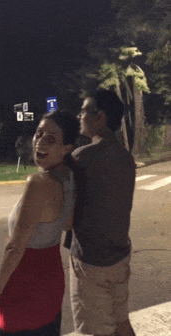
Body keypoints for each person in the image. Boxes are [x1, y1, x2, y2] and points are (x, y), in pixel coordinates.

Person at [0, 110, 79, 336]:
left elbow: (15, 247)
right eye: (39, 134)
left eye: (51, 138)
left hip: (25, 284)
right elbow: (67, 224)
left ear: (67, 148)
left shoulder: (38, 182)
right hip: (52, 281)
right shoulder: (69, 177)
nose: (40, 142)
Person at [64, 89, 136, 336]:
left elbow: (66, 220)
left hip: (90, 262)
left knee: (92, 331)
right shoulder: (126, 158)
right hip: (120, 257)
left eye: (84, 111)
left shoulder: (80, 158)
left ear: (100, 118)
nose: (79, 116)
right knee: (121, 324)